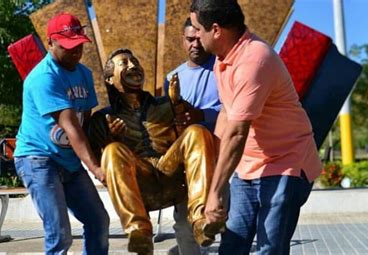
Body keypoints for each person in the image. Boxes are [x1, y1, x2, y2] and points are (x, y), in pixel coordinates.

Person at [190, 1, 323, 254]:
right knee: (232, 247)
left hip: (286, 164)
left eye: (197, 28)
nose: (195, 35)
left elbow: (238, 131)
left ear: (216, 29)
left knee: (268, 249)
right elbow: (227, 115)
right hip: (248, 166)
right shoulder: (224, 59)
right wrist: (213, 175)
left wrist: (215, 193)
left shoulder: (254, 60)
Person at [87, 48, 225, 254]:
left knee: (197, 131)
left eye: (135, 61)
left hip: (172, 174)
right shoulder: (103, 119)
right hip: (141, 183)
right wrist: (111, 139)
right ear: (109, 79)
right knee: (113, 150)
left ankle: (201, 220)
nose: (133, 66)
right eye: (124, 63)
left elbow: (189, 141)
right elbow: (102, 165)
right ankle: (139, 232)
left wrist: (178, 106)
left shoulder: (166, 103)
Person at [13, 13, 109, 255]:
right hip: (38, 159)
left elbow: (85, 122)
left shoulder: (84, 74)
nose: (75, 51)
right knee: (59, 234)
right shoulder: (43, 78)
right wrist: (96, 169)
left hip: (69, 160)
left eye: (78, 45)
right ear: (50, 44)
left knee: (98, 220)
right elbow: (71, 127)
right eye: (68, 46)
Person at [164, 17, 221, 255]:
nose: (195, 45)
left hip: (220, 159)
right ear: (183, 41)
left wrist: (202, 115)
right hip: (186, 165)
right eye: (190, 39)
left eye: (199, 39)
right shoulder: (172, 78)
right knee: (184, 222)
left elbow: (236, 111)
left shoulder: (223, 68)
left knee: (224, 218)